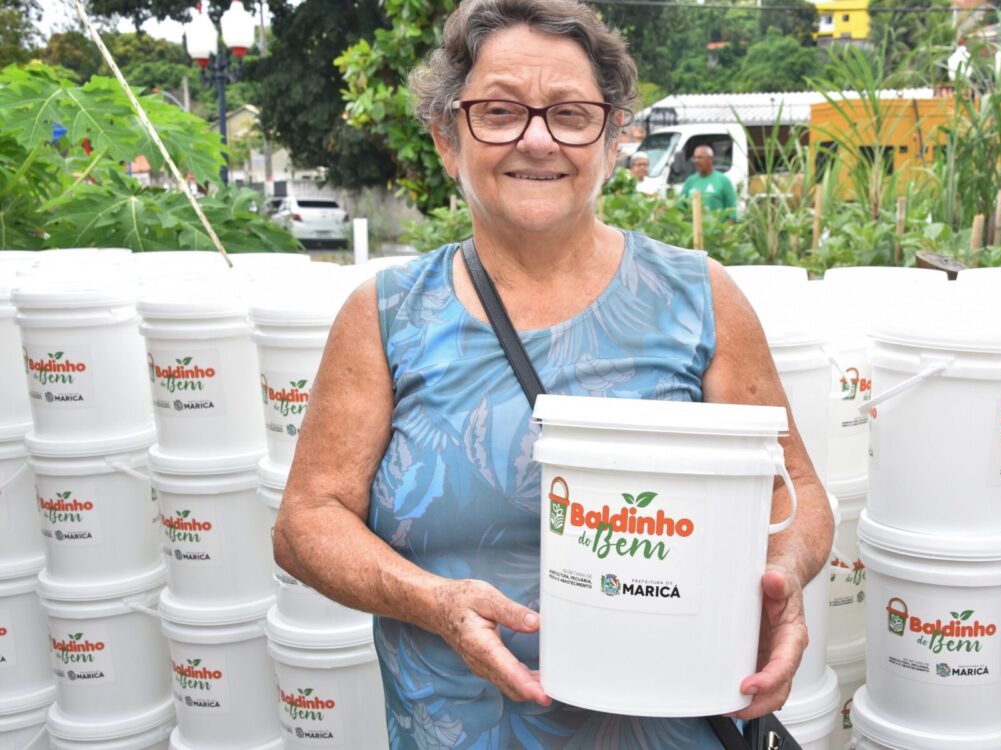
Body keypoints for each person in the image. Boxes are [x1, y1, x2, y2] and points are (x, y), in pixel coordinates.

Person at [272, 1, 833, 747]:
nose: (536, 139)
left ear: (611, 139)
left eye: (570, 114)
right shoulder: (388, 316)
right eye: (499, 111)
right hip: (459, 726)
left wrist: (782, 578)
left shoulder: (699, 301)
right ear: (448, 138)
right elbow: (307, 521)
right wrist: (431, 600)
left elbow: (793, 494)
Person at [680, 144, 738, 219]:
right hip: (694, 229)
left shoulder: (723, 181)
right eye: (695, 158)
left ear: (710, 159)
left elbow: (732, 209)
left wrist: (727, 228)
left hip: (716, 229)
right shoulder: (690, 181)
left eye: (700, 158)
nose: (696, 161)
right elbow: (680, 206)